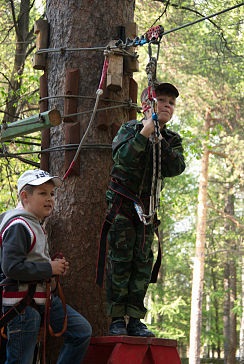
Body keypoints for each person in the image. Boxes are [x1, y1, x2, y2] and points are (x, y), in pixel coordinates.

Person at [103, 82, 185, 336]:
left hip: (147, 212)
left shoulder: (171, 139)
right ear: (146, 105)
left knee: (142, 263)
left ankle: (136, 319)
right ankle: (117, 319)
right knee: (120, 261)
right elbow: (122, 159)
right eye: (161, 100)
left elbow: (176, 168)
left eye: (171, 103)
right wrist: (144, 133)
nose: (167, 106)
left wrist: (160, 141)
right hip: (123, 208)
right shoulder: (129, 130)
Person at [0, 169, 92, 364]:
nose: (50, 199)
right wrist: (49, 268)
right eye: (42, 193)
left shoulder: (35, 224)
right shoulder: (18, 225)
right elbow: (12, 267)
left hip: (42, 301)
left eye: (51, 194)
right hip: (22, 307)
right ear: (25, 196)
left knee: (81, 331)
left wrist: (54, 268)